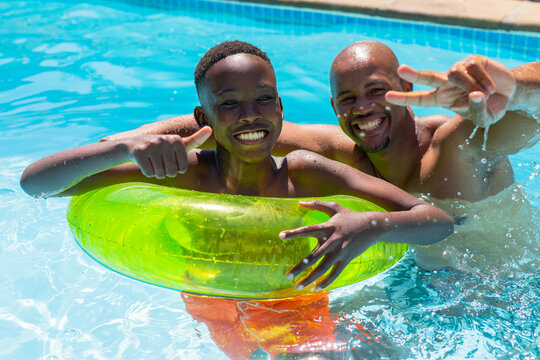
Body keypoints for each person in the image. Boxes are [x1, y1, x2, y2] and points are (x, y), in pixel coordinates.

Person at [21, 41, 453, 359]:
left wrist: (368, 226)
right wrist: (123, 148)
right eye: (229, 103)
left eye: (264, 99)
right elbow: (35, 184)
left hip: (295, 309)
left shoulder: (304, 172)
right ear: (203, 118)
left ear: (281, 109)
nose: (250, 114)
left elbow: (436, 221)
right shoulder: (184, 174)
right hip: (214, 306)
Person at [108, 41, 539, 274]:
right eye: (348, 98)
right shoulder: (336, 153)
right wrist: (124, 144)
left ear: (406, 93)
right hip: (412, 285)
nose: (363, 109)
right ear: (334, 108)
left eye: (377, 91)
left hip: (504, 294)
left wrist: (514, 89)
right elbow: (220, 123)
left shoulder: (460, 143)